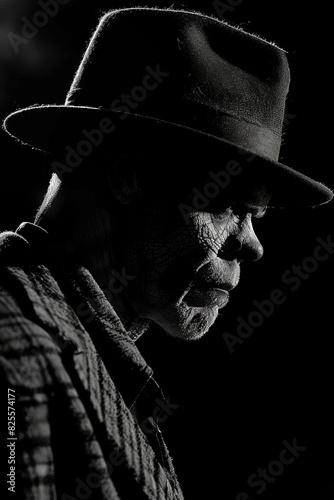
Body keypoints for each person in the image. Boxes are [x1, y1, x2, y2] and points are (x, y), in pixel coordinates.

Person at [0, 6, 332, 499]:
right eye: (228, 205)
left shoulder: (97, 363)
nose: (253, 245)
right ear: (128, 173)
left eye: (255, 217)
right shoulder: (16, 347)